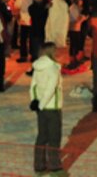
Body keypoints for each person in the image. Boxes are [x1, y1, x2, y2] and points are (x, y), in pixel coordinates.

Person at [29, 41, 63, 175]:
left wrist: (35, 102)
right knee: (54, 138)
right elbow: (51, 89)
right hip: (52, 108)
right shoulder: (53, 68)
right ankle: (55, 166)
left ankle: (39, 165)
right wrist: (42, 104)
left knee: (42, 136)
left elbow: (33, 86)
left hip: (41, 109)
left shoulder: (37, 67)